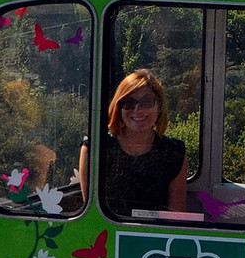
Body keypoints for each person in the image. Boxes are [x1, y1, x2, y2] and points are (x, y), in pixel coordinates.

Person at [80, 69, 188, 218]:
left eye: (147, 102)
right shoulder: (94, 149)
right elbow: (92, 216)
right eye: (129, 103)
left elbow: (177, 216)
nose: (138, 110)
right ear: (119, 108)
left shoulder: (173, 152)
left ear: (159, 106)